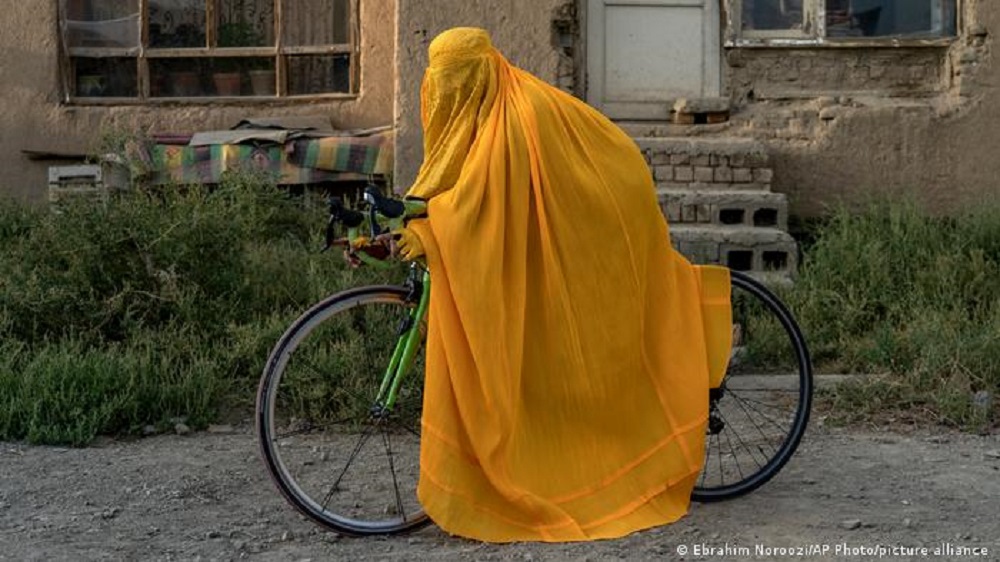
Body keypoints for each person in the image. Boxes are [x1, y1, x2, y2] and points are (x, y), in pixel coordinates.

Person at [392, 27, 732, 542]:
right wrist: (418, 216)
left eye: (455, 80)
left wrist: (430, 230)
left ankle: (610, 448)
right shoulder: (491, 101)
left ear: (479, 73)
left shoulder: (513, 120)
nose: (446, 92)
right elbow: (462, 181)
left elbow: (476, 208)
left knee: (585, 333)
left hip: (599, 213)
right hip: (582, 199)